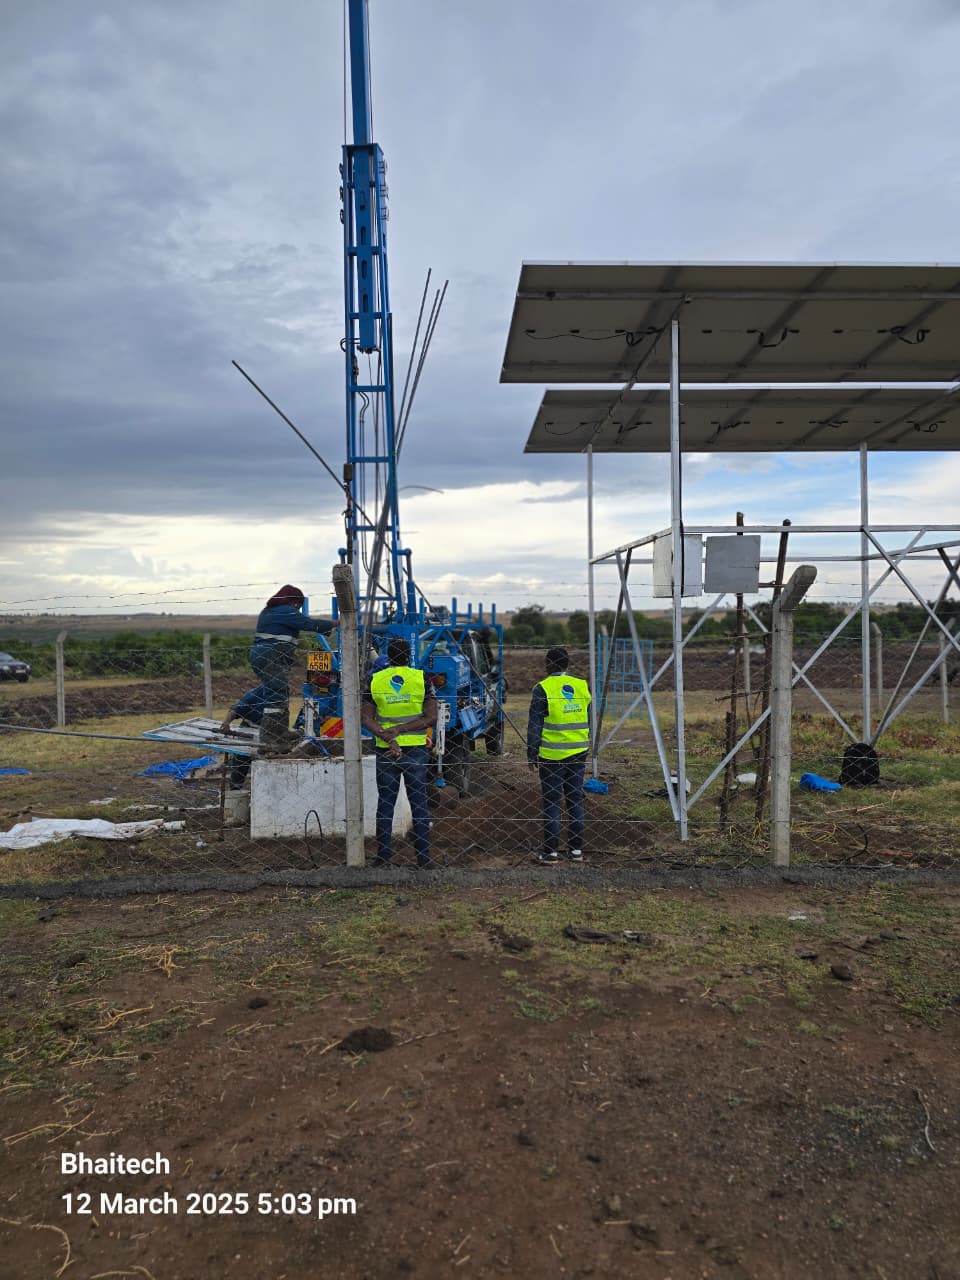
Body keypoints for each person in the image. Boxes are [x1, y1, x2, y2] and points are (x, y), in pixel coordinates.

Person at [361, 636, 437, 868]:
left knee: (386, 804)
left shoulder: (375, 680)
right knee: (419, 804)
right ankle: (424, 860)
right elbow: (431, 717)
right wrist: (402, 730)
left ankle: (383, 858)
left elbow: (366, 718)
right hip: (415, 751)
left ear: (388, 656)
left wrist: (388, 736)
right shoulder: (421, 678)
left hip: (386, 751)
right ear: (409, 656)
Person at [245, 585, 335, 749]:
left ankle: (280, 733)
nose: (298, 609)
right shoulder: (286, 611)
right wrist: (335, 623)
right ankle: (270, 737)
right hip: (271, 655)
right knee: (277, 693)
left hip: (264, 655)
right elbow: (307, 623)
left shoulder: (269, 611)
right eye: (298, 606)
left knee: (276, 692)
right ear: (294, 601)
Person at [527, 646, 591, 864]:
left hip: (552, 756)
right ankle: (576, 851)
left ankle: (551, 853)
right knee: (575, 800)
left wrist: (531, 753)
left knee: (552, 802)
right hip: (578, 752)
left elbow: (535, 725)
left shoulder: (542, 689)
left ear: (550, 663)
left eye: (547, 662)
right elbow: (587, 718)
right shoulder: (581, 685)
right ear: (567, 664)